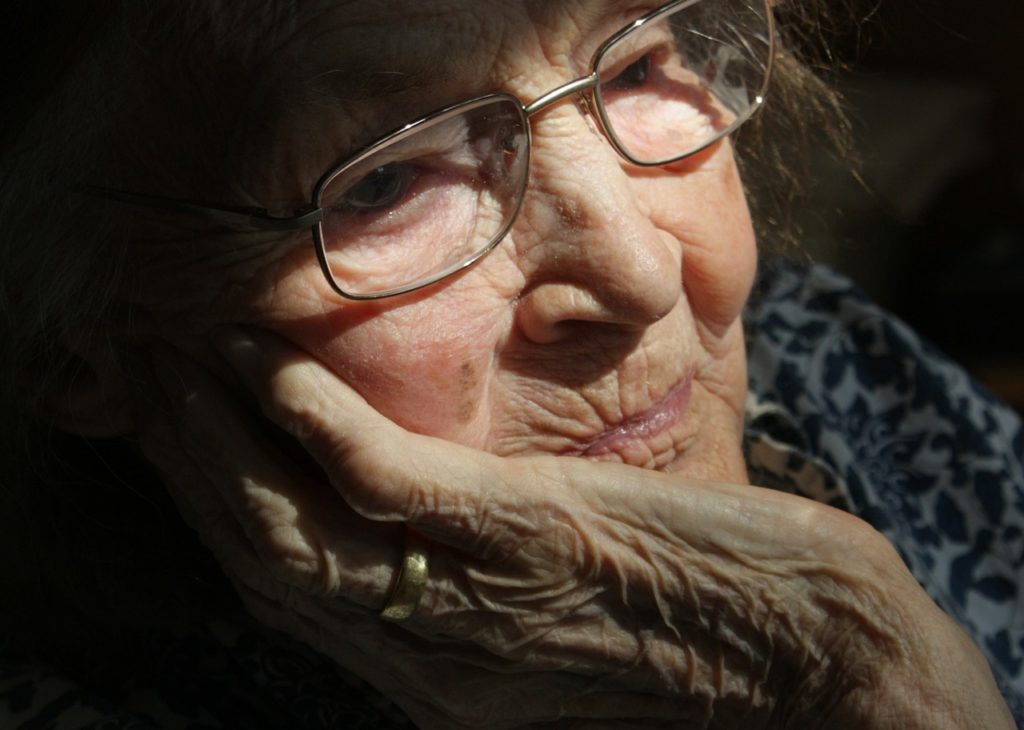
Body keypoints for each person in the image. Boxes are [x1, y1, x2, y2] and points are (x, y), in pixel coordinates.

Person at [0, 0, 1021, 727]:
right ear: (70, 347)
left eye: (631, 64)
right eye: (387, 179)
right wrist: (851, 690)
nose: (640, 271)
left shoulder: (833, 348)